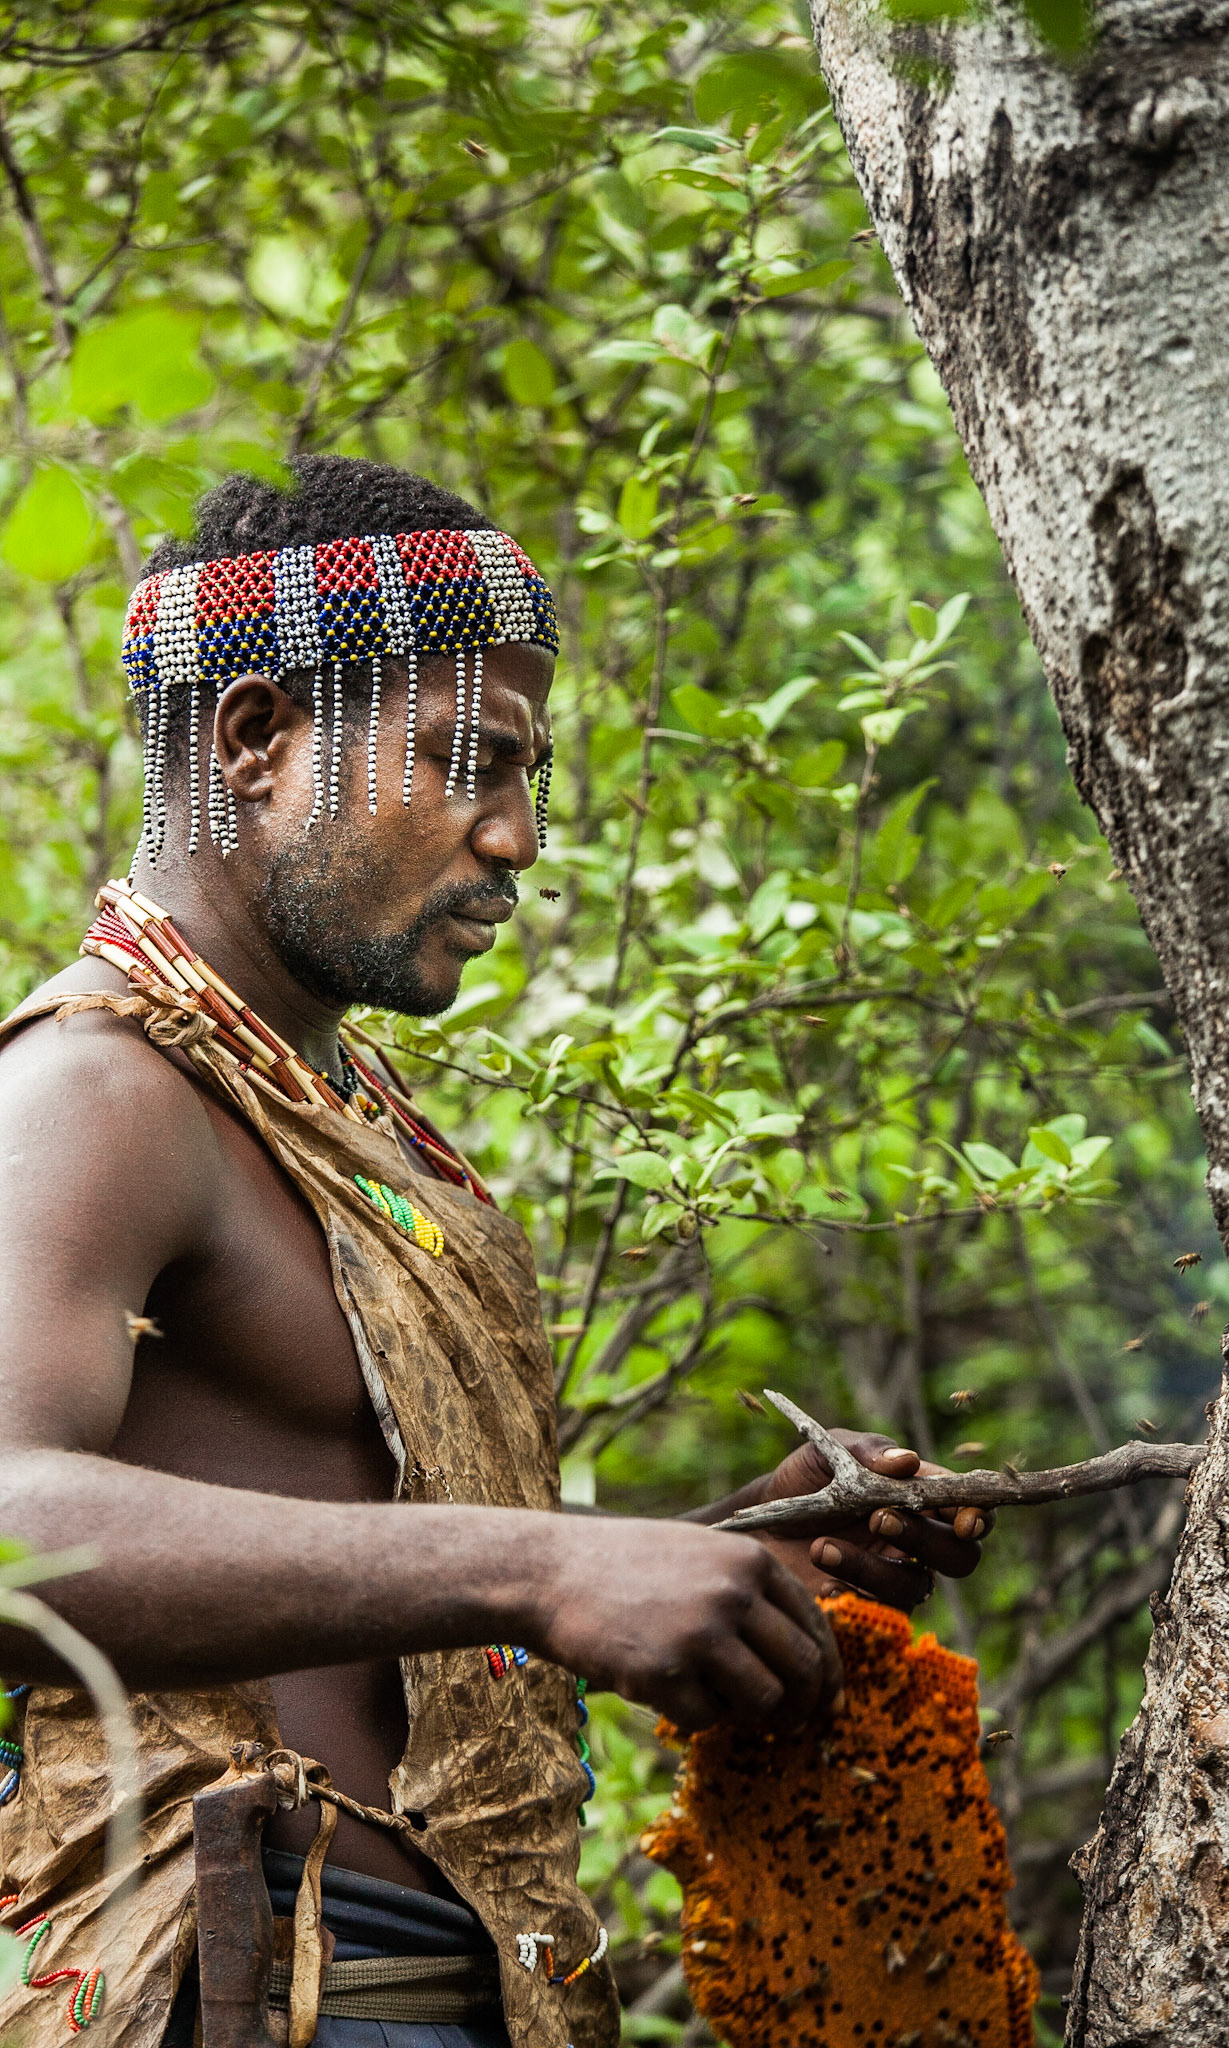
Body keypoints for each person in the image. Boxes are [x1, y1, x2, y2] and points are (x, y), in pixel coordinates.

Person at [0, 456, 987, 2048]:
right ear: (259, 741)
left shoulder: (336, 1110)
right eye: (466, 758)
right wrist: (538, 1566)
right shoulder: (99, 1087)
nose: (518, 836)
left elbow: (341, 1573)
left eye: (528, 775)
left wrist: (692, 1567)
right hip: (243, 1980)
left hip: (457, 1977)